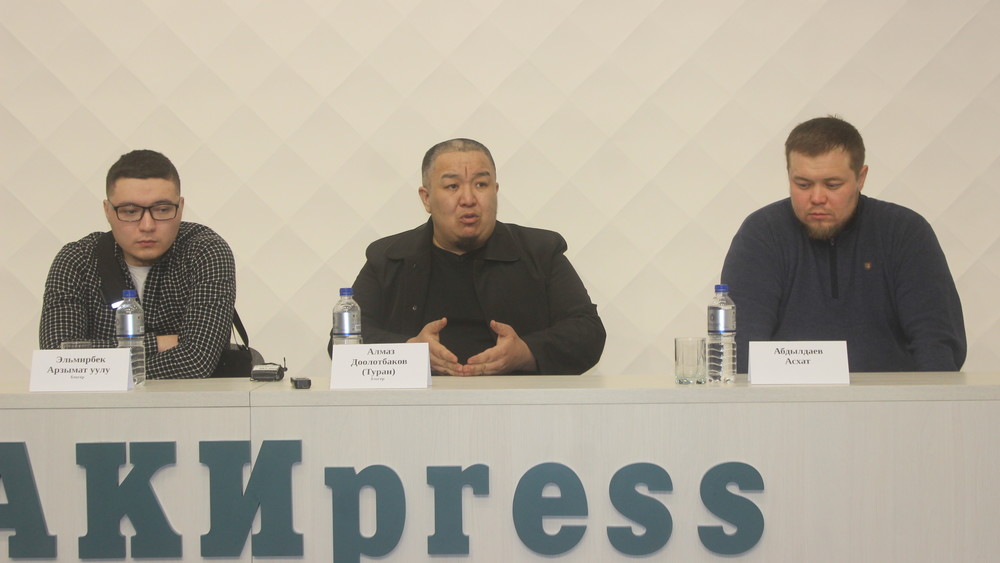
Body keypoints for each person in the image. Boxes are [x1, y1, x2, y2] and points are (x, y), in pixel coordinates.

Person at [335, 138, 606, 375]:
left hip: (518, 405)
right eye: (452, 186)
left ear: (495, 192)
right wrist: (409, 352)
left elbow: (588, 332)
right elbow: (344, 342)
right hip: (417, 407)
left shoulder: (541, 251)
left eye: (480, 184)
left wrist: (525, 352)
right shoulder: (388, 257)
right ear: (426, 198)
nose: (468, 198)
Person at [721, 116, 966, 373]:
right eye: (803, 184)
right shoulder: (762, 234)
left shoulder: (904, 232)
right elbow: (741, 348)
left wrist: (921, 398)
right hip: (786, 396)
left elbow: (937, 345)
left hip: (892, 397)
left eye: (832, 185)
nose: (817, 197)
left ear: (861, 178)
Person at [40, 149, 236, 379]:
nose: (147, 225)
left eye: (162, 210)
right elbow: (58, 362)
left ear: (181, 207)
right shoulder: (77, 260)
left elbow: (196, 361)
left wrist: (95, 364)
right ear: (107, 211)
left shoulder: (205, 251)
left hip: (194, 402)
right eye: (130, 211)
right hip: (100, 404)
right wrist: (160, 343)